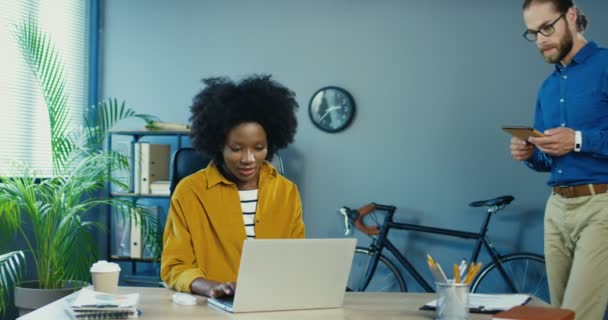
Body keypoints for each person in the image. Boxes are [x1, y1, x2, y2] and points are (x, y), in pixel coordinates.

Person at [161, 75, 306, 298]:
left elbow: (297, 259)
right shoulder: (190, 192)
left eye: (259, 147)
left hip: (272, 304)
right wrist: (212, 287)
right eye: (237, 148)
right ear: (219, 145)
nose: (248, 158)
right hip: (211, 309)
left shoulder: (286, 192)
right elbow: (175, 266)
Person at [511, 0, 608, 318]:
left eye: (546, 28)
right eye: (532, 33)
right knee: (559, 313)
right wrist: (529, 153)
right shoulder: (547, 88)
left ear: (570, 15)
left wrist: (577, 139)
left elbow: (572, 144)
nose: (540, 40)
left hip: (601, 206)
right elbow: (548, 159)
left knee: (577, 315)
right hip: (556, 209)